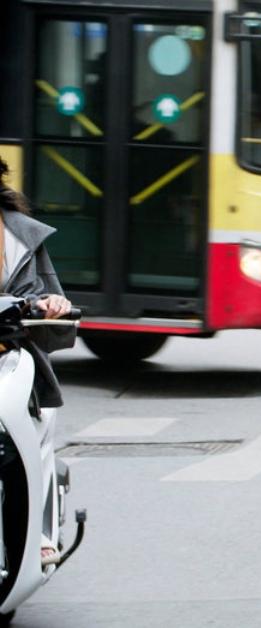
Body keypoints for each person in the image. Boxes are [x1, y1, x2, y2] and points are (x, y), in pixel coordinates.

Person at [0, 157, 74, 565]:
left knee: (28, 432)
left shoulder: (21, 235)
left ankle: (39, 535)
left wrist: (52, 304)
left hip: (10, 358)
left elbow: (49, 302)